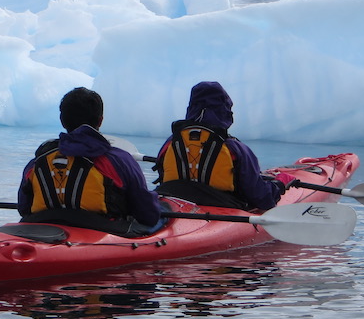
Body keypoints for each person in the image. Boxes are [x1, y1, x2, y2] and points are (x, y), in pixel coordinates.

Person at [18, 87, 163, 235]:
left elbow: (24, 208)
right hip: (104, 232)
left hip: (43, 229)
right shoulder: (119, 160)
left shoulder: (36, 163)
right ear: (100, 120)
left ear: (62, 121)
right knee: (161, 220)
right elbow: (148, 215)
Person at [154, 81, 295, 210]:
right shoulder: (235, 149)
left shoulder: (170, 144)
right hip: (222, 207)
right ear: (224, 109)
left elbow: (163, 175)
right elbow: (262, 199)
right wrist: (280, 184)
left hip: (173, 204)